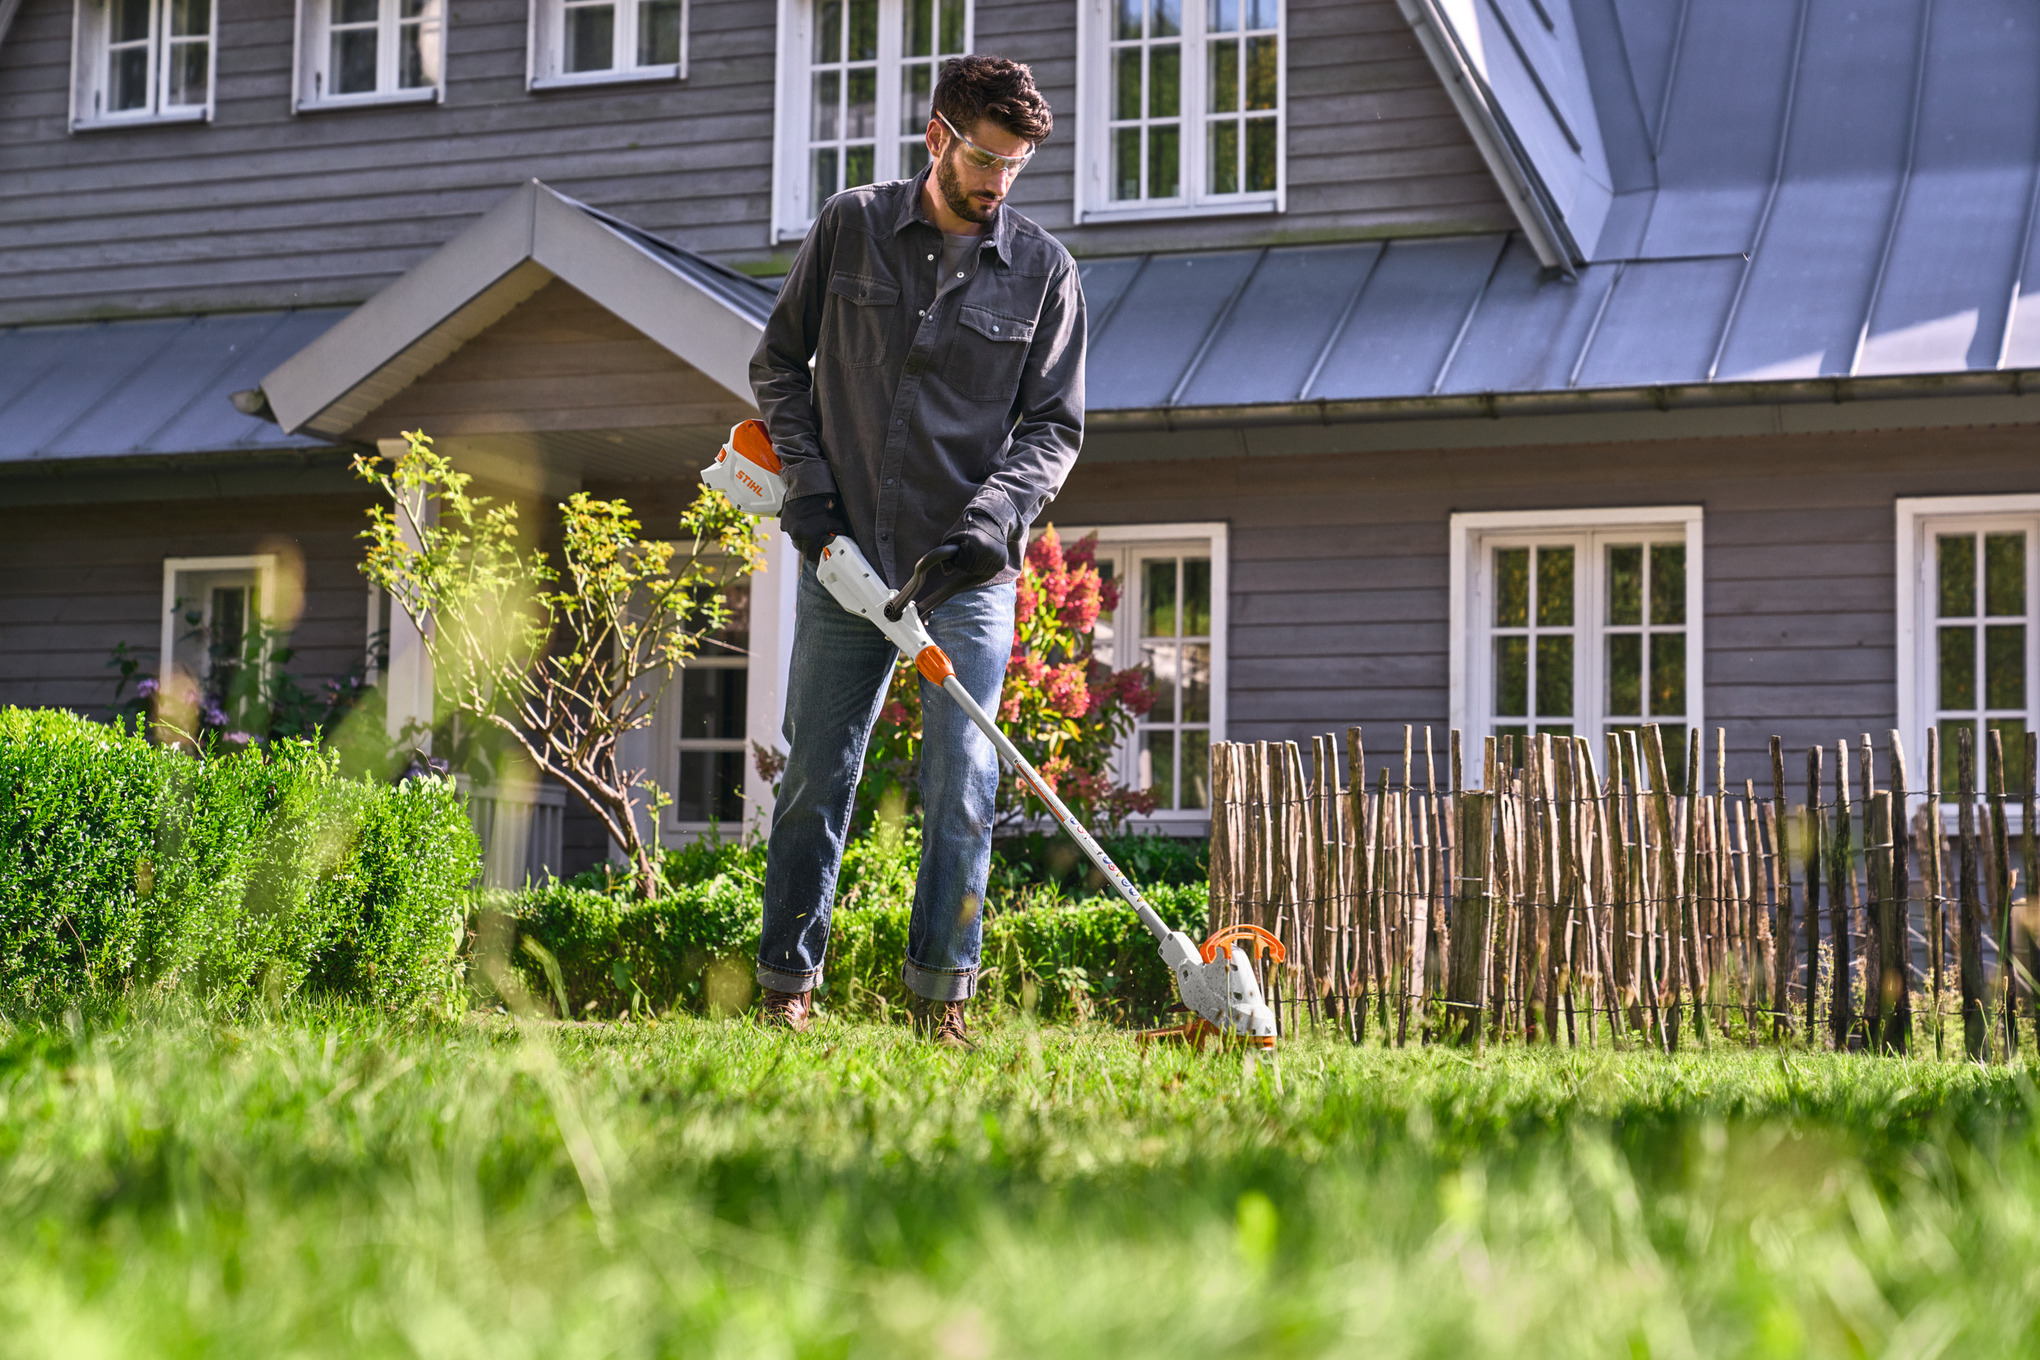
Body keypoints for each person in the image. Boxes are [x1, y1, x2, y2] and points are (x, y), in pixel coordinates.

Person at [747, 54, 1085, 1047]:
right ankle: (786, 987)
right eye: (985, 158)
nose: (998, 181)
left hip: (966, 573)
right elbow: (779, 364)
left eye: (1016, 165)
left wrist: (993, 520)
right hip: (847, 558)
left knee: (962, 786)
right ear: (938, 136)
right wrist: (809, 489)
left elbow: (1053, 429)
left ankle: (941, 1000)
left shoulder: (1045, 273)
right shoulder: (850, 226)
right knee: (816, 775)